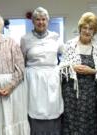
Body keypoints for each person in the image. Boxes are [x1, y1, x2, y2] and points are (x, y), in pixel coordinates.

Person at [20, 7, 64, 135]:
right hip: (33, 79)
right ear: (33, 21)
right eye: (37, 19)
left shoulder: (55, 37)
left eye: (43, 19)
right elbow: (21, 60)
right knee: (35, 109)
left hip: (52, 78)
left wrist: (61, 68)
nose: (41, 22)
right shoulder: (25, 39)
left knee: (53, 108)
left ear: (48, 21)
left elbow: (67, 54)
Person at [60, 12, 97, 135]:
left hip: (90, 92)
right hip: (71, 91)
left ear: (94, 31)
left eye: (91, 28)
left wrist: (92, 71)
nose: (87, 31)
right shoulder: (70, 45)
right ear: (80, 28)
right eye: (85, 27)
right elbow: (61, 67)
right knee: (71, 119)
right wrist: (72, 67)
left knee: (90, 119)